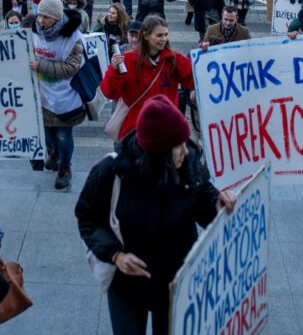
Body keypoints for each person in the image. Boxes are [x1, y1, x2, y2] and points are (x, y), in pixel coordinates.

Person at [76, 96, 236, 335]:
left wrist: (218, 204)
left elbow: (204, 199)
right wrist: (115, 255)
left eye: (184, 141)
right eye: (177, 145)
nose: (185, 150)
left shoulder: (190, 163)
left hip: (177, 283)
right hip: (127, 286)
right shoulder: (112, 171)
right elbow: (88, 217)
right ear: (157, 152)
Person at [101, 15, 195, 140]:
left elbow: (196, 79)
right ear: (146, 36)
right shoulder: (127, 60)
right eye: (159, 35)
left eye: (166, 35)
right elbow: (110, 93)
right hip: (136, 132)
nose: (164, 39)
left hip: (165, 130)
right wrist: (114, 71)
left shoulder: (173, 59)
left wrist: (205, 56)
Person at [30, 0, 86, 189]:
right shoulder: (35, 31)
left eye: (46, 17)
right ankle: (54, 153)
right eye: (39, 16)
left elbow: (71, 67)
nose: (41, 21)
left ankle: (65, 167)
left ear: (57, 18)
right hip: (42, 95)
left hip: (65, 97)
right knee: (47, 133)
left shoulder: (74, 38)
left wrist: (41, 66)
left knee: (63, 136)